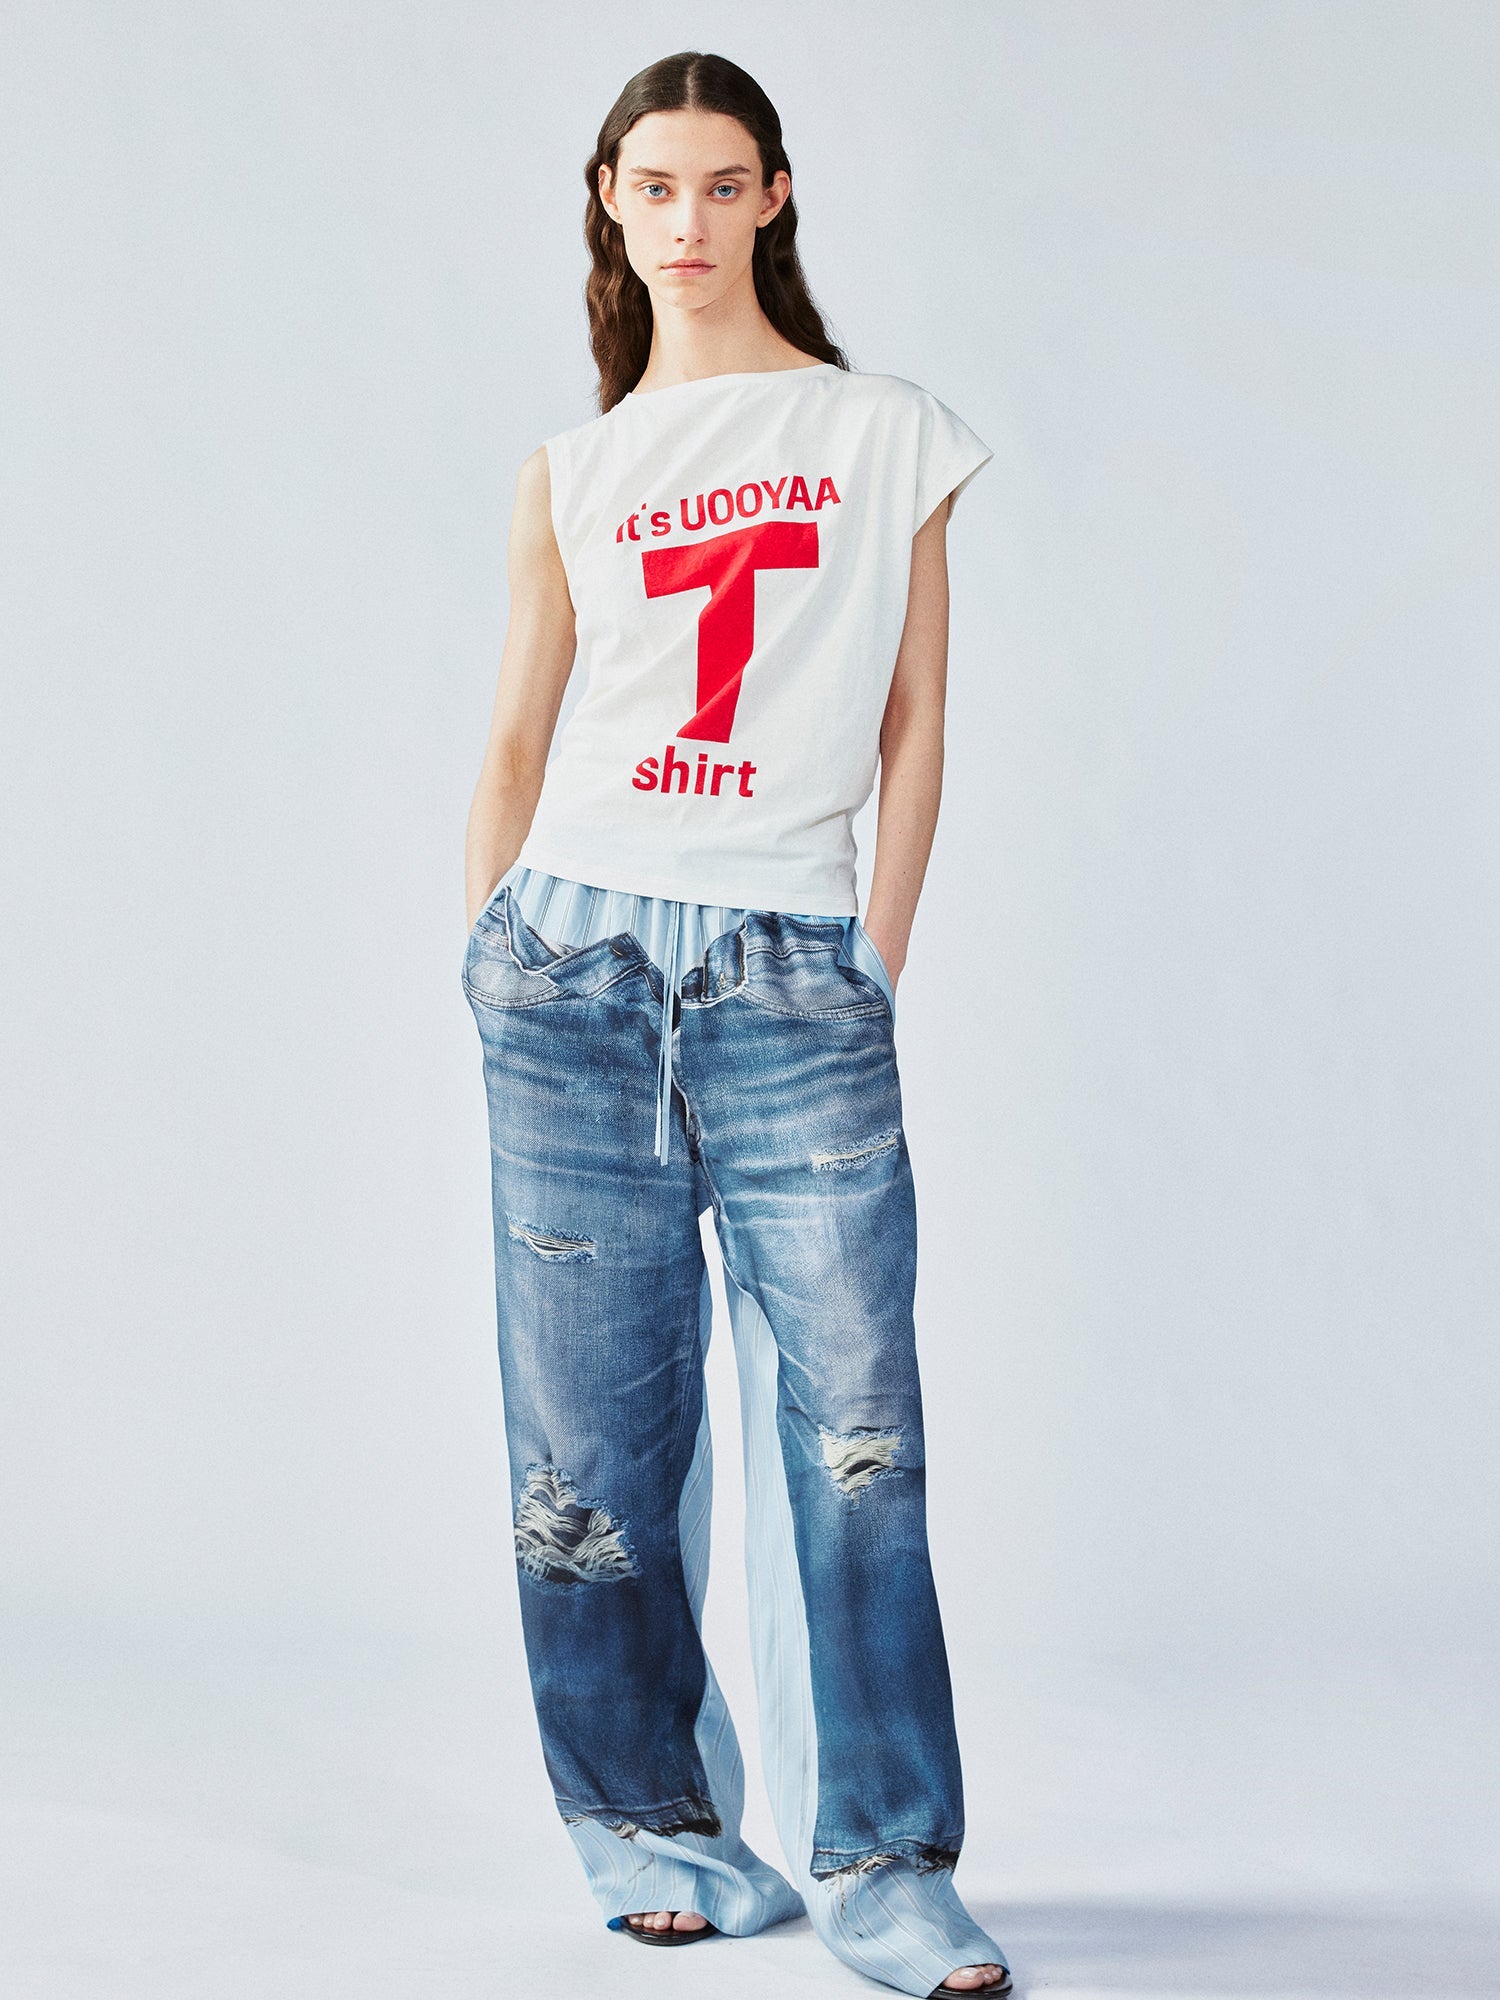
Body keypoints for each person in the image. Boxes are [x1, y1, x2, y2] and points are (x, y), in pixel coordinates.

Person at [461, 49, 1010, 2000]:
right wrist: (489, 953)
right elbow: (518, 736)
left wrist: (872, 953)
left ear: (775, 195)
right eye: (651, 187)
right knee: (590, 1446)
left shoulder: (882, 430)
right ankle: (652, 1829)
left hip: (793, 966)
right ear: (609, 207)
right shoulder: (574, 469)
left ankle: (886, 1864)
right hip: (573, 965)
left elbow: (916, 721)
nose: (684, 221)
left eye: (719, 183)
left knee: (857, 1432)